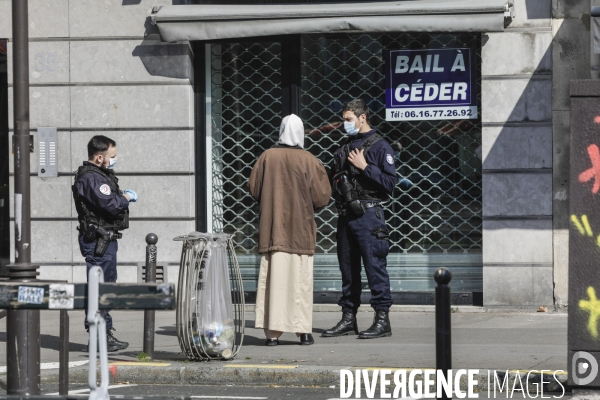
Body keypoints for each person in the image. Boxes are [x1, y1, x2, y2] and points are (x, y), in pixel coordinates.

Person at [248, 114, 331, 346]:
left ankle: (273, 335)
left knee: (273, 283)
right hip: (301, 230)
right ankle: (303, 332)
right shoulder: (309, 160)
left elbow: (254, 188)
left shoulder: (266, 157)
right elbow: (322, 196)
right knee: (300, 283)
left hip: (273, 229)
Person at [322, 99, 397, 339]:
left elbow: (390, 184)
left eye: (348, 120)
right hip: (345, 214)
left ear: (362, 117)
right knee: (348, 269)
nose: (344, 124)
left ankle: (382, 319)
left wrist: (365, 167)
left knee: (375, 266)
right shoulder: (344, 146)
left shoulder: (379, 146)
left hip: (369, 214)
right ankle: (348, 318)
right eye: (344, 120)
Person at [72, 135, 138, 352]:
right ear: (99, 157)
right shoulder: (92, 178)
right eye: (112, 156)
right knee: (100, 288)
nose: (114, 159)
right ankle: (100, 337)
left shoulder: (97, 176)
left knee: (104, 286)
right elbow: (111, 205)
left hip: (103, 239)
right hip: (99, 240)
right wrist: (126, 198)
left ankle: (103, 335)